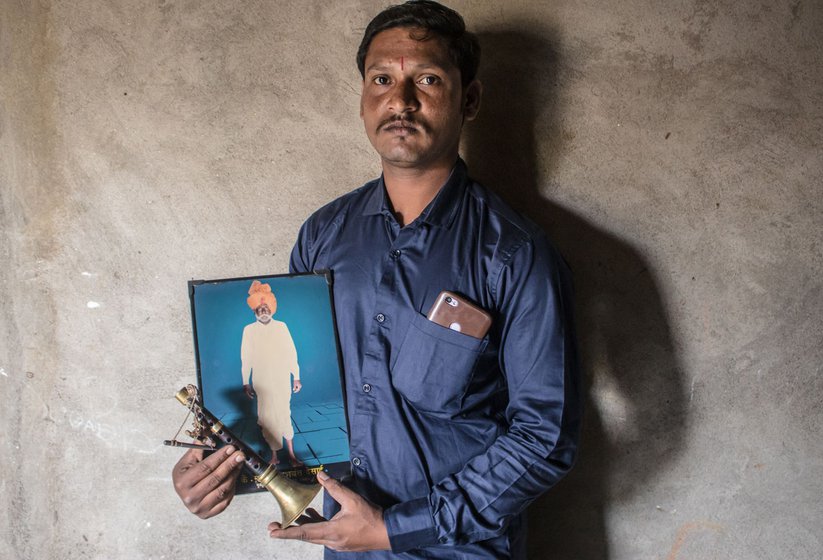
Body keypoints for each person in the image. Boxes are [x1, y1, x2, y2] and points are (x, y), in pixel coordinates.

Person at [172, 1, 581, 558]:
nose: (401, 100)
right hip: (345, 548)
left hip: (462, 550)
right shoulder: (322, 235)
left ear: (471, 100)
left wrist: (396, 528)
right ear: (364, 98)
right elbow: (297, 390)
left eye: (428, 79)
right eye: (381, 79)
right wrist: (219, 470)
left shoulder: (515, 253)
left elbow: (545, 437)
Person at [240, 280, 303, 467]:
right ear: (254, 312)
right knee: (266, 417)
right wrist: (246, 382)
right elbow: (246, 357)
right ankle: (274, 456)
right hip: (261, 380)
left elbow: (291, 352)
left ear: (271, 308)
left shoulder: (282, 326)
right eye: (259, 309)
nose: (263, 311)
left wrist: (296, 376)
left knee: (284, 412)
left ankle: (292, 456)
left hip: (282, 378)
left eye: (266, 307)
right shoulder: (249, 331)